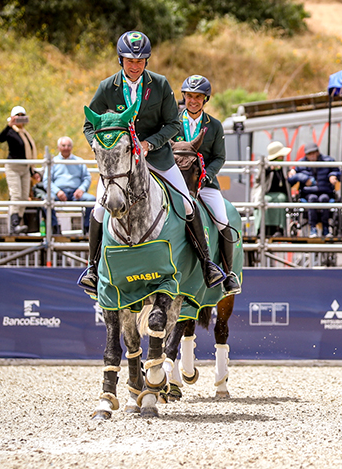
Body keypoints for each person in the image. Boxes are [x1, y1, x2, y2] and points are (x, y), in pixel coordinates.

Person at [78, 31, 224, 294]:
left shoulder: (159, 84)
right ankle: (92, 267)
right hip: (121, 162)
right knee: (99, 210)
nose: (135, 66)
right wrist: (100, 147)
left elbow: (173, 123)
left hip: (156, 157)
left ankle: (207, 264)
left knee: (188, 203)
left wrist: (150, 144)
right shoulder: (106, 87)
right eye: (129, 61)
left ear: (146, 61)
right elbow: (90, 124)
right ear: (120, 60)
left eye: (140, 61)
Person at [174, 74, 240, 295]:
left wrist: (205, 176)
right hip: (175, 182)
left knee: (222, 220)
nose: (193, 101)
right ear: (183, 96)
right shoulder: (172, 122)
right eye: (189, 96)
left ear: (205, 99)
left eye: (198, 97)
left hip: (204, 183)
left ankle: (228, 274)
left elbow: (219, 158)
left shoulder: (215, 126)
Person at [0, 105, 36, 234]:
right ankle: (14, 225)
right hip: (13, 167)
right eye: (17, 115)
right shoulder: (10, 131)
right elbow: (0, 138)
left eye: (22, 115)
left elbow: (28, 153)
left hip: (25, 168)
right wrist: (9, 125)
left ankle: (18, 223)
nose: (20, 118)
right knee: (16, 195)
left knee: (24, 197)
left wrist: (32, 171)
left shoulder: (25, 134)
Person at [289, 143, 341, 237]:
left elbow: (338, 172)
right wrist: (304, 178)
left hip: (325, 191)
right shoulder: (301, 164)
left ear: (318, 152)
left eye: (314, 153)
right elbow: (291, 179)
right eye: (309, 154)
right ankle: (312, 228)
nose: (312, 156)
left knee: (324, 199)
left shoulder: (328, 161)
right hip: (308, 193)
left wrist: (333, 176)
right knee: (312, 199)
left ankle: (326, 228)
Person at [48, 136, 95, 234]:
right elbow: (47, 180)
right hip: (59, 192)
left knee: (92, 200)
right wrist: (57, 191)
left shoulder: (79, 161)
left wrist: (81, 189)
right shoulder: (53, 162)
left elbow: (87, 178)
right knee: (46, 201)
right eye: (63, 145)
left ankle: (88, 229)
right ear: (58, 147)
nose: (66, 148)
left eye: (69, 145)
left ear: (72, 147)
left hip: (76, 193)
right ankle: (54, 228)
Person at [258, 141, 291, 237]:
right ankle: (264, 229)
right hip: (267, 193)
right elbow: (259, 179)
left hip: (281, 193)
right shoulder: (265, 165)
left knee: (280, 198)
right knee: (265, 200)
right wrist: (269, 169)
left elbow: (288, 179)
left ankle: (278, 228)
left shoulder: (284, 167)